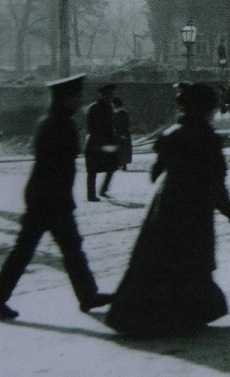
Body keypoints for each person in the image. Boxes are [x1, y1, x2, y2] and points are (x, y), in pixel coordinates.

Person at [106, 83, 230, 335]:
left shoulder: (171, 133)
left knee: (159, 255)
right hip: (194, 204)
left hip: (166, 201)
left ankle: (143, 313)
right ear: (205, 110)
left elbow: (155, 172)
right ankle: (188, 311)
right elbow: (215, 179)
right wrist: (227, 207)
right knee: (191, 257)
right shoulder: (208, 138)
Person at [0, 74, 113, 321]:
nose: (80, 100)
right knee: (54, 249)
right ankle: (88, 295)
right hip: (50, 199)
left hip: (43, 196)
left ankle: (88, 295)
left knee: (47, 249)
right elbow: (59, 167)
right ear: (67, 99)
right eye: (77, 96)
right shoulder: (61, 124)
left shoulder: (49, 121)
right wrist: (61, 201)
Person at [85, 83, 119, 201]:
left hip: (107, 140)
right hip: (95, 141)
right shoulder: (93, 107)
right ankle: (91, 195)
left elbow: (110, 126)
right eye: (107, 95)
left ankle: (103, 190)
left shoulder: (109, 108)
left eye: (110, 95)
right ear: (102, 95)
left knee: (112, 166)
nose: (109, 97)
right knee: (92, 170)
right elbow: (91, 127)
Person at [111, 96, 133, 170]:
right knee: (122, 149)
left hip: (120, 133)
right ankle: (122, 164)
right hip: (121, 133)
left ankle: (122, 164)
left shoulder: (119, 112)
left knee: (121, 149)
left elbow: (123, 124)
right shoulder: (121, 112)